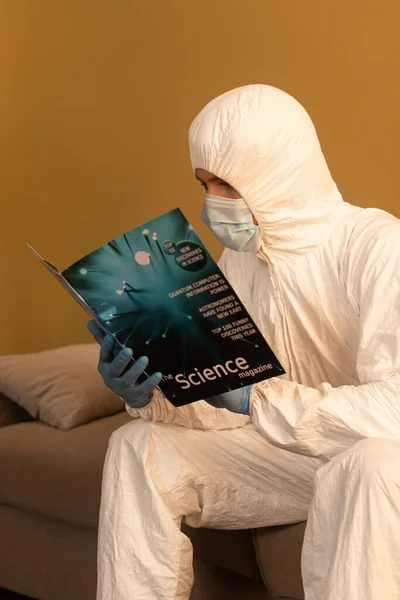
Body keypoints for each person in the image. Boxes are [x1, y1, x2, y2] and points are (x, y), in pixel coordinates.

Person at [88, 84, 400, 600]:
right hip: (297, 455)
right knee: (137, 445)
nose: (213, 202)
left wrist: (258, 398)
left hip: (375, 458)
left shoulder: (378, 248)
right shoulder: (238, 263)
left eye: (227, 183)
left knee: (365, 465)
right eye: (204, 183)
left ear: (275, 172)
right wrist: (149, 393)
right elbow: (229, 408)